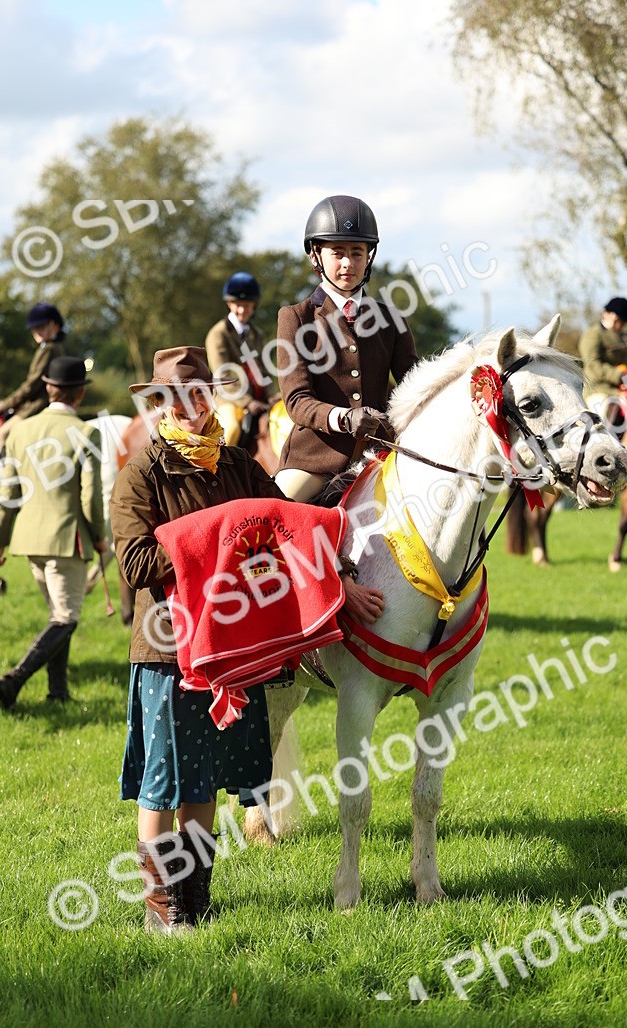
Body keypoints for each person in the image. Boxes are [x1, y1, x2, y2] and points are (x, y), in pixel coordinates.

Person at [110, 346, 385, 936]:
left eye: (199, 393)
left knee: (206, 778)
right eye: (175, 398)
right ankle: (162, 909)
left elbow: (290, 526)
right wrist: (216, 536)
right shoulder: (141, 473)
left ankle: (196, 897)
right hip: (168, 647)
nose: (189, 406)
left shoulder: (237, 465)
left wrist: (341, 579)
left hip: (233, 647)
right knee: (165, 781)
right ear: (159, 404)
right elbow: (135, 563)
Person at [273, 194, 418, 502]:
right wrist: (344, 418)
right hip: (315, 463)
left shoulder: (391, 319)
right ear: (316, 256)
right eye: (337, 253)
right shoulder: (295, 318)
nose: (348, 264)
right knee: (273, 517)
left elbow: (413, 387)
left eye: (357, 253)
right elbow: (297, 400)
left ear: (370, 257)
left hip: (381, 457)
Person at [0, 356, 107, 707]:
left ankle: (58, 692)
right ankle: (15, 679)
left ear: (49, 389)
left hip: (29, 540)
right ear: (79, 395)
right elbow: (90, 497)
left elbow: (7, 494)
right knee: (66, 618)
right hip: (66, 539)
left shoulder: (19, 431)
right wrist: (100, 536)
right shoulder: (87, 432)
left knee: (57, 616)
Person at [204, 271, 277, 450]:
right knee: (231, 429)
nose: (242, 310)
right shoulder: (218, 334)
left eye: (247, 305)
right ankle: (215, 473)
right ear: (229, 303)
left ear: (254, 305)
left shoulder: (257, 334)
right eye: (238, 305)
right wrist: (247, 402)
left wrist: (271, 394)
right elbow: (223, 375)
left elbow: (262, 370)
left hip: (256, 397)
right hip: (227, 397)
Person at [0, 302, 69, 454]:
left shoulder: (48, 349)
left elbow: (31, 385)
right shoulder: (55, 347)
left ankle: (12, 476)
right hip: (43, 402)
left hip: (37, 405)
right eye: (35, 328)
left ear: (54, 325)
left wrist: (5, 405)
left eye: (41, 326)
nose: (37, 331)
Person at [578, 297, 627, 429]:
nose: (621, 325)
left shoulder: (625, 337)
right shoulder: (593, 335)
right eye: (619, 320)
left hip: (626, 387)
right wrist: (619, 375)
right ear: (607, 314)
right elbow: (593, 365)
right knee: (602, 417)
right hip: (599, 389)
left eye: (622, 322)